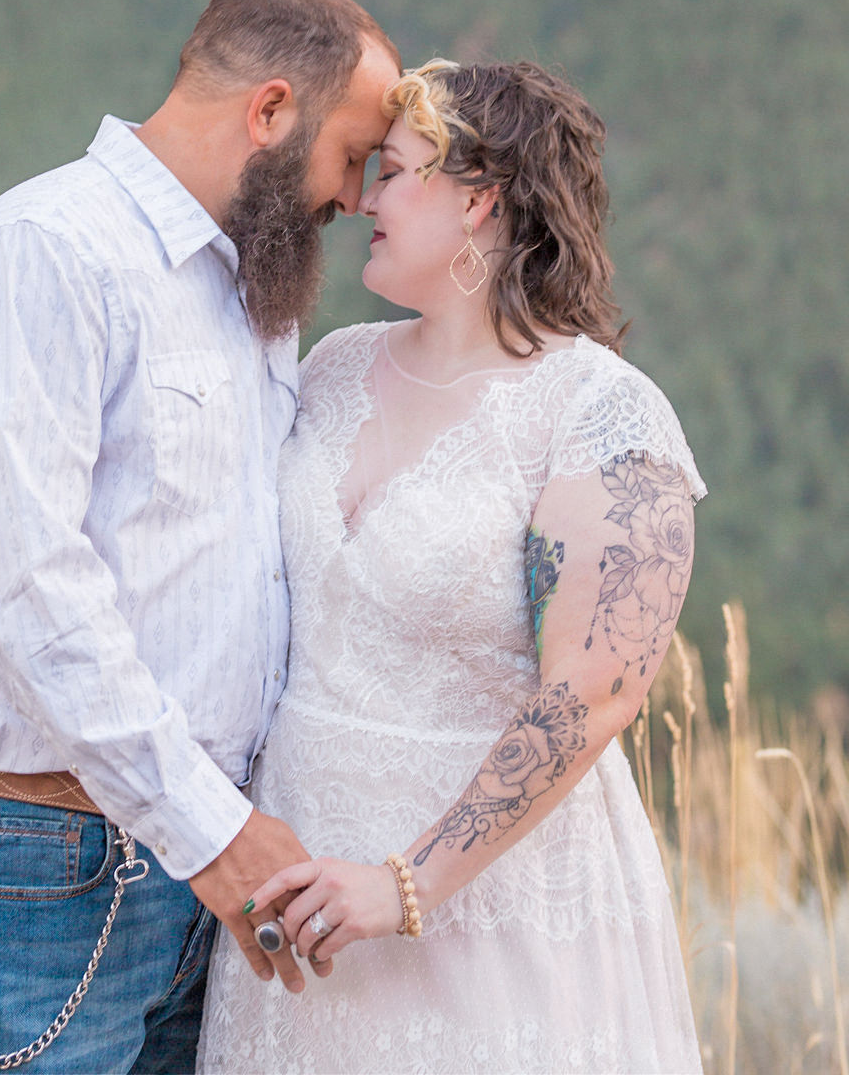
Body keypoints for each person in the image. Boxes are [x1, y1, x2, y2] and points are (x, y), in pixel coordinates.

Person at [0, 0, 401, 1074]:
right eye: (351, 155)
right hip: (30, 869)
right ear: (269, 112)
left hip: (195, 877)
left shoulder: (246, 290)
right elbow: (18, 582)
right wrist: (209, 827)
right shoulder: (41, 250)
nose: (356, 198)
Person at [199, 58, 706, 1074]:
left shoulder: (600, 412)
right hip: (298, 897)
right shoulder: (336, 364)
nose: (363, 199)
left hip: (491, 908)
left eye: (393, 171)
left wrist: (406, 883)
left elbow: (591, 697)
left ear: (479, 198)